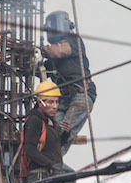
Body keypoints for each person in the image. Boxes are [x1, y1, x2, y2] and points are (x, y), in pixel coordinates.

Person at [41, 11, 96, 155]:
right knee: (50, 134)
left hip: (80, 95)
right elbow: (42, 69)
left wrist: (42, 50)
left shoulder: (73, 40)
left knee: (59, 139)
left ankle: (55, 168)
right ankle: (51, 163)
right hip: (63, 99)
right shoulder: (53, 56)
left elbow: (60, 50)